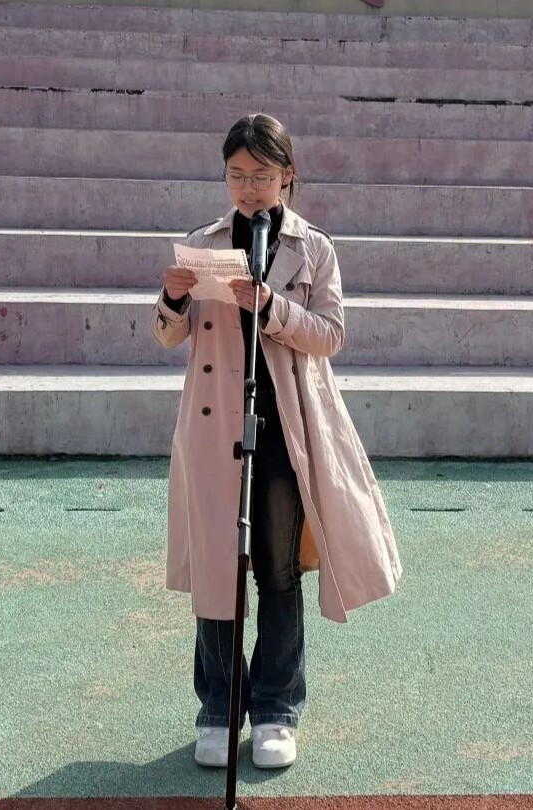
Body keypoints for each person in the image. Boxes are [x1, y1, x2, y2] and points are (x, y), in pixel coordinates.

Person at [151, 113, 402, 771]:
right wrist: (172, 300)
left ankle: (276, 708)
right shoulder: (202, 242)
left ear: (287, 175)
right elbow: (168, 337)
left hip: (286, 429)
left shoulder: (312, 248)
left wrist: (270, 307)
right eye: (237, 175)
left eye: (262, 175)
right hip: (214, 431)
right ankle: (217, 708)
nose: (249, 188)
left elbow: (330, 335)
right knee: (217, 570)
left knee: (279, 571)